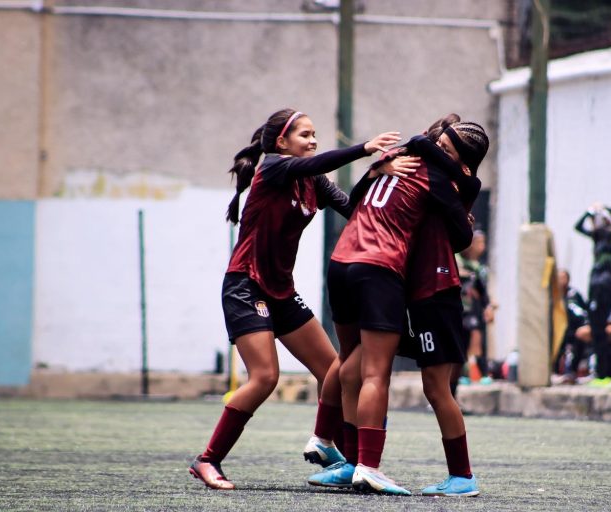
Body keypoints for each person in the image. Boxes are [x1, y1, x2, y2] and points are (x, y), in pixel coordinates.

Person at [188, 108, 400, 490]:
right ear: (282, 142)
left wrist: (372, 177)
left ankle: (345, 458)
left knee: (335, 369)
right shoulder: (272, 167)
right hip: (245, 285)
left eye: (315, 134)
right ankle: (207, 460)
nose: (313, 140)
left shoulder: (312, 180)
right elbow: (322, 161)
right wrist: (364, 149)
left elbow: (352, 208)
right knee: (266, 376)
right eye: (305, 134)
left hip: (281, 290)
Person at [321, 122, 486, 495]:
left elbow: (462, 235)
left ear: (462, 164)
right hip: (400, 286)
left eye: (446, 146)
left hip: (435, 292)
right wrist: (381, 165)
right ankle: (351, 461)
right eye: (436, 140)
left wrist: (458, 209)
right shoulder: (414, 166)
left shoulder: (448, 183)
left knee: (435, 388)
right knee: (353, 368)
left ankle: (462, 475)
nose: (434, 147)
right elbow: (364, 191)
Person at [574, 203, 611, 386]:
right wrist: (588, 212)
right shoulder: (597, 236)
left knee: (610, 329)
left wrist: (606, 215)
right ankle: (601, 372)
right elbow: (578, 227)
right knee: (597, 329)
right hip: (596, 286)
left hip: (608, 286)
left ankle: (609, 371)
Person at [455, 231, 495, 388]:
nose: (482, 247)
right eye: (479, 242)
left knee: (475, 339)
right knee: (459, 345)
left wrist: (488, 306)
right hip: (455, 310)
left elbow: (481, 290)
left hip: (471, 310)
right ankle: (461, 375)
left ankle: (476, 372)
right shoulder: (457, 258)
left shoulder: (478, 268)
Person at [553, 269, 592, 384]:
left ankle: (572, 372)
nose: (561, 281)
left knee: (578, 343)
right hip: (559, 332)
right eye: (559, 278)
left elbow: (584, 313)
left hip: (575, 331)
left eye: (563, 278)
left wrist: (586, 326)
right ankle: (554, 372)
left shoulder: (574, 295)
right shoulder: (553, 296)